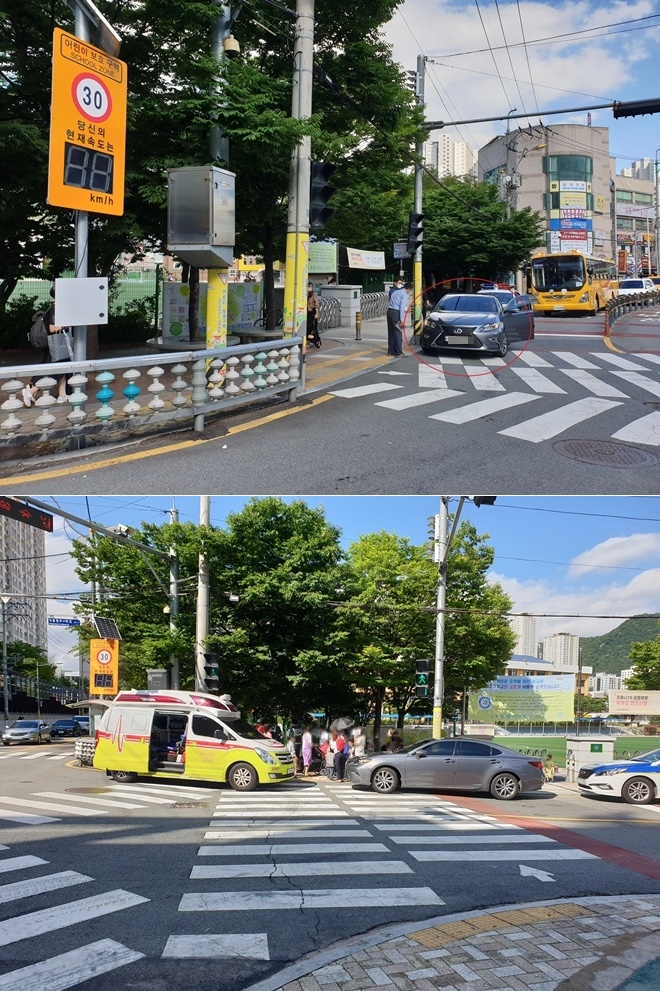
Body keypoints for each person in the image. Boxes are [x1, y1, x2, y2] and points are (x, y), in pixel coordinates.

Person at [23, 286, 70, 406]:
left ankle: (62, 395)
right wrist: (66, 325)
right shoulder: (56, 309)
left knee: (63, 368)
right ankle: (30, 391)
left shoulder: (55, 308)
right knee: (54, 371)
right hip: (55, 344)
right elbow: (52, 328)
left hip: (56, 344)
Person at [386, 281, 410, 357]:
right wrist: (402, 320)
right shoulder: (404, 294)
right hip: (396, 313)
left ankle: (390, 351)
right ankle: (398, 352)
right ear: (409, 289)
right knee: (398, 332)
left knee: (391, 332)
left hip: (389, 312)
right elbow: (402, 307)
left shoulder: (395, 292)